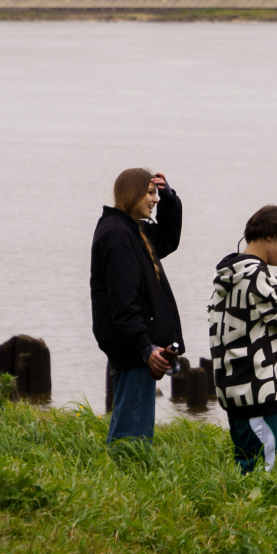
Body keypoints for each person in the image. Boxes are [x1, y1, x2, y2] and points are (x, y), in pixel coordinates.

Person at [208, 205, 277, 473]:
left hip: (235, 387)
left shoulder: (229, 274)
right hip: (258, 392)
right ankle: (250, 514)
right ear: (272, 235)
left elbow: (241, 328)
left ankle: (240, 510)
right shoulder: (258, 276)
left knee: (246, 462)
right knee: (260, 469)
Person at [90, 168, 183, 445]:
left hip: (135, 346)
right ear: (132, 193)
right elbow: (123, 302)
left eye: (156, 194)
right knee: (133, 435)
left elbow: (168, 239)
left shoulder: (130, 229)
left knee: (130, 423)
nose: (154, 200)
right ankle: (124, 481)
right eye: (150, 193)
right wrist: (145, 346)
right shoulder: (119, 235)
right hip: (135, 348)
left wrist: (169, 197)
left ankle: (119, 481)